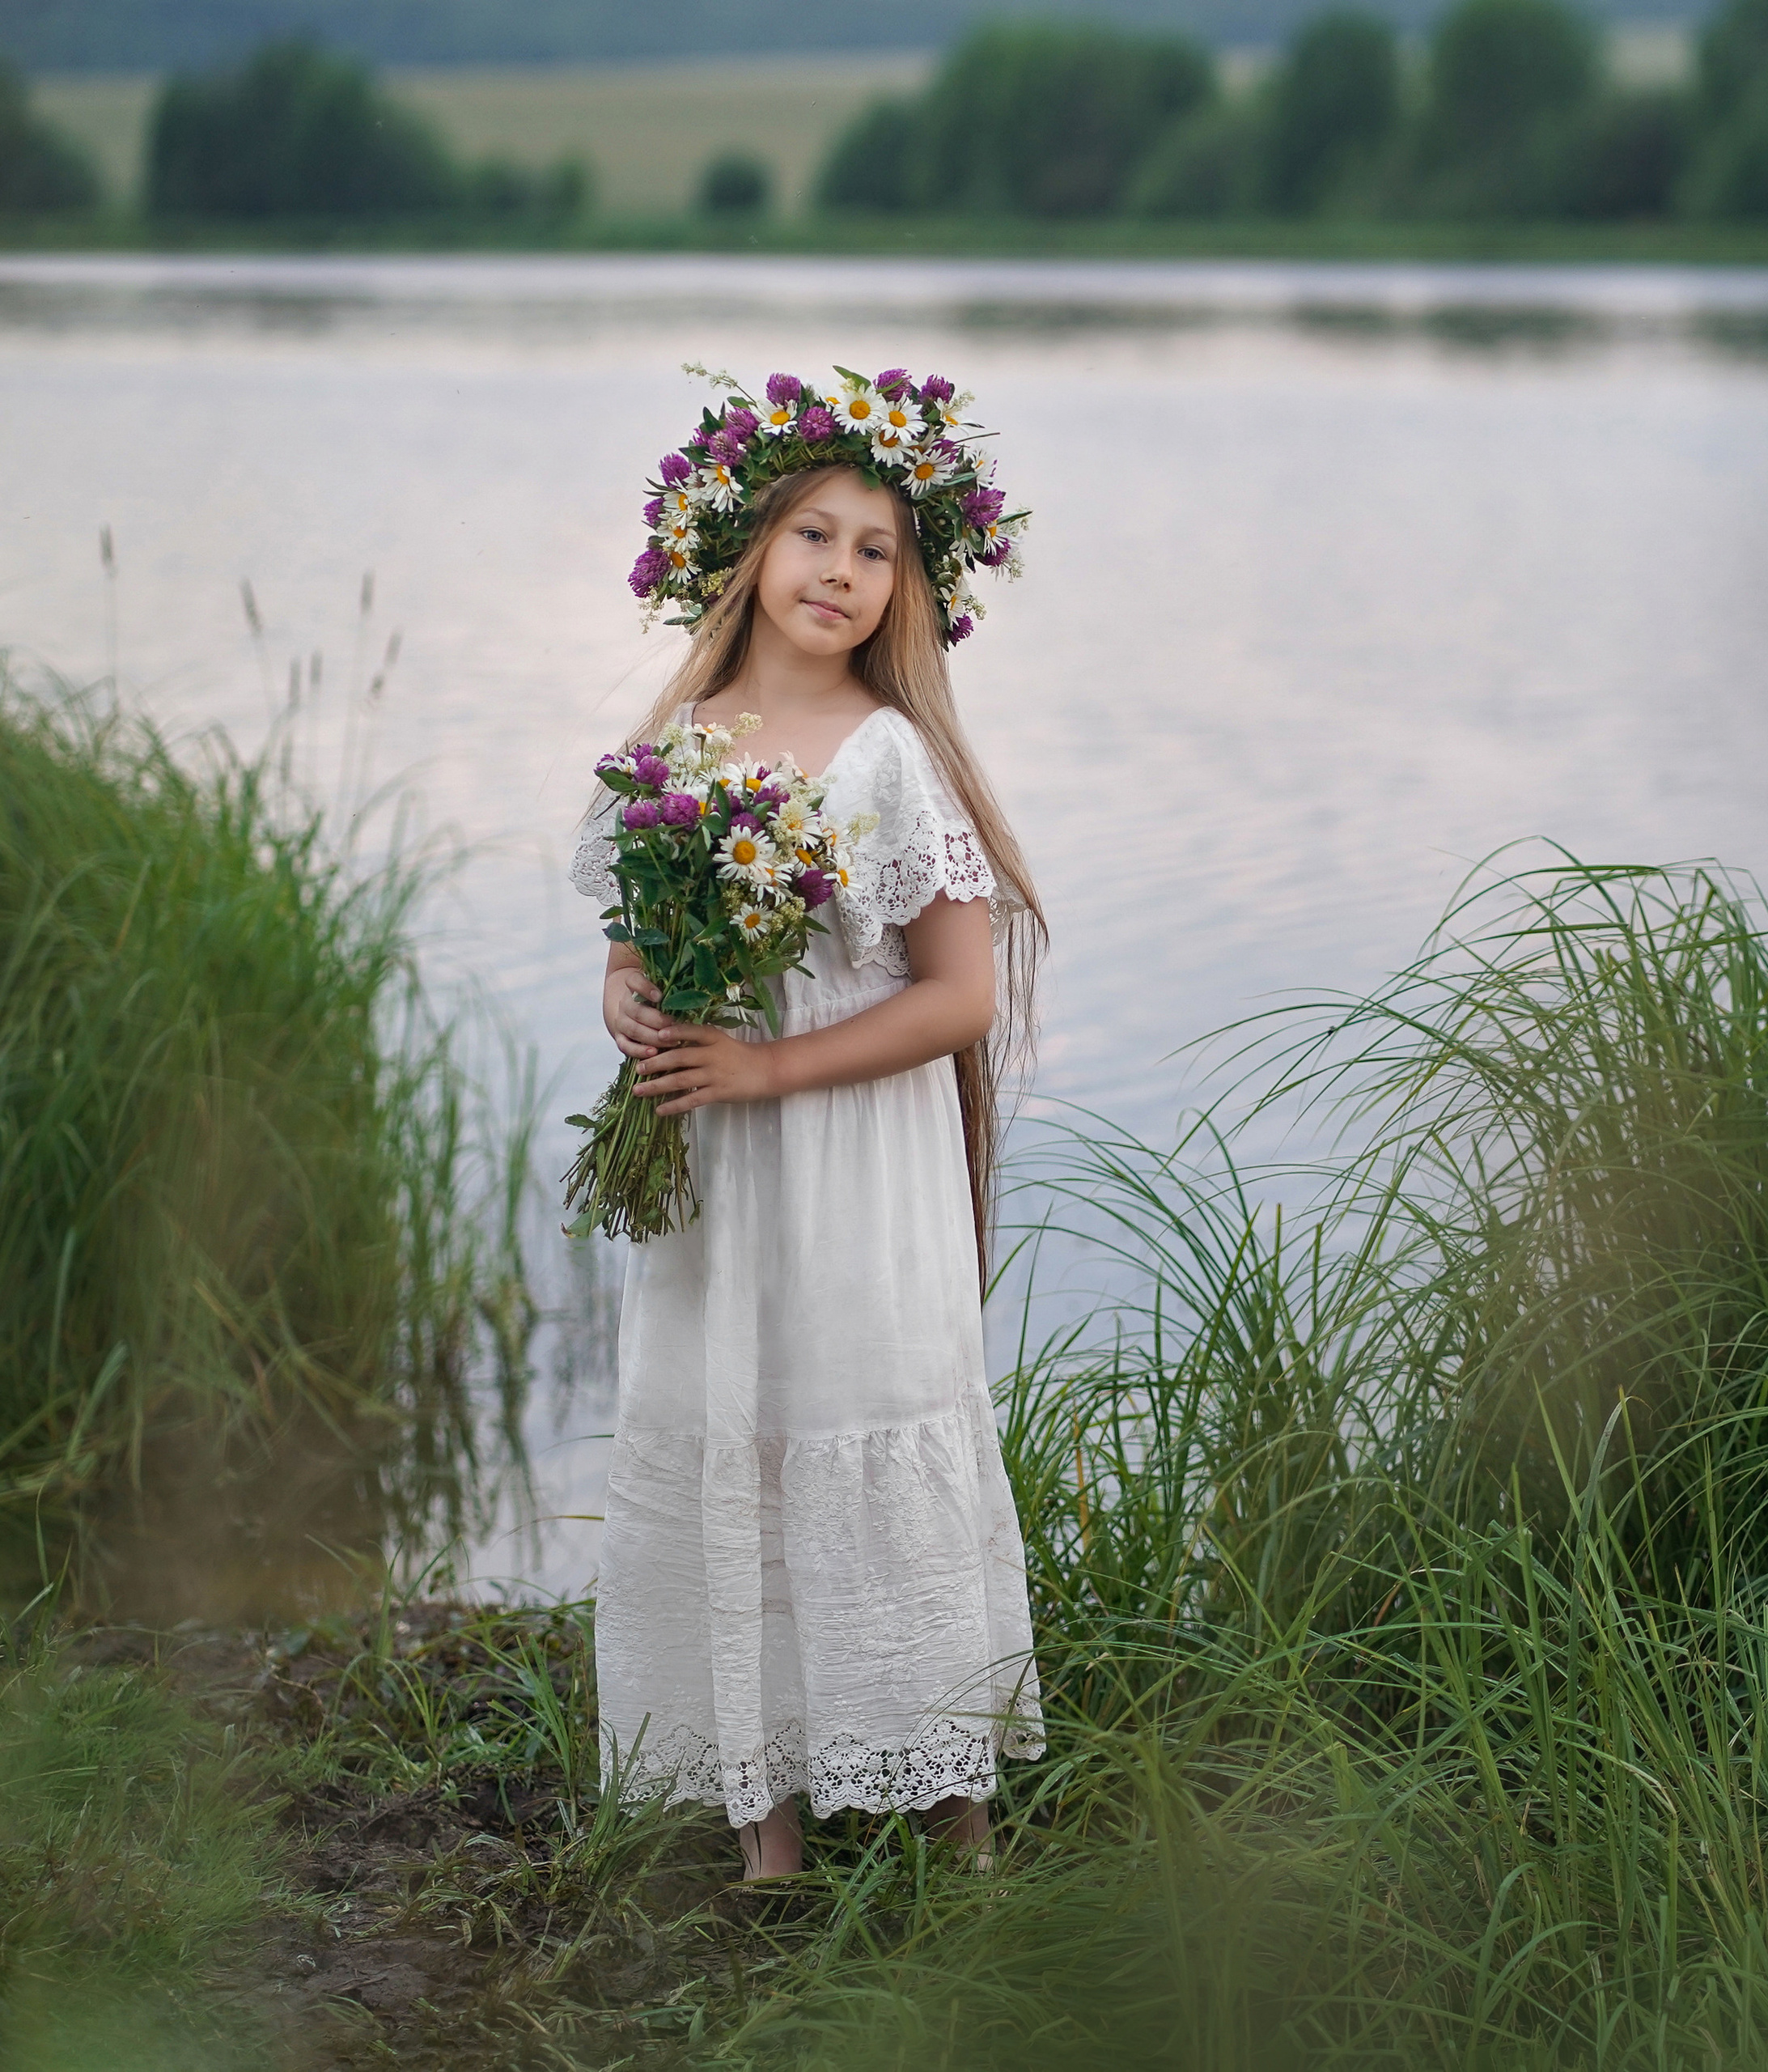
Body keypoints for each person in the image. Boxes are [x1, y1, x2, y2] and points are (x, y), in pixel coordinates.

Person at [569, 367, 1044, 1880]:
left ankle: (946, 1794)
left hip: (851, 1162)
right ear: (748, 552)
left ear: (906, 586)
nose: (840, 572)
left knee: (868, 1409)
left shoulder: (891, 760)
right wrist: (632, 1005)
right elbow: (635, 946)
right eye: (814, 537)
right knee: (736, 1428)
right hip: (721, 1178)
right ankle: (764, 1817)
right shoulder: (679, 742)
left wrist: (770, 1068)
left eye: (876, 550)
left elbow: (958, 995)